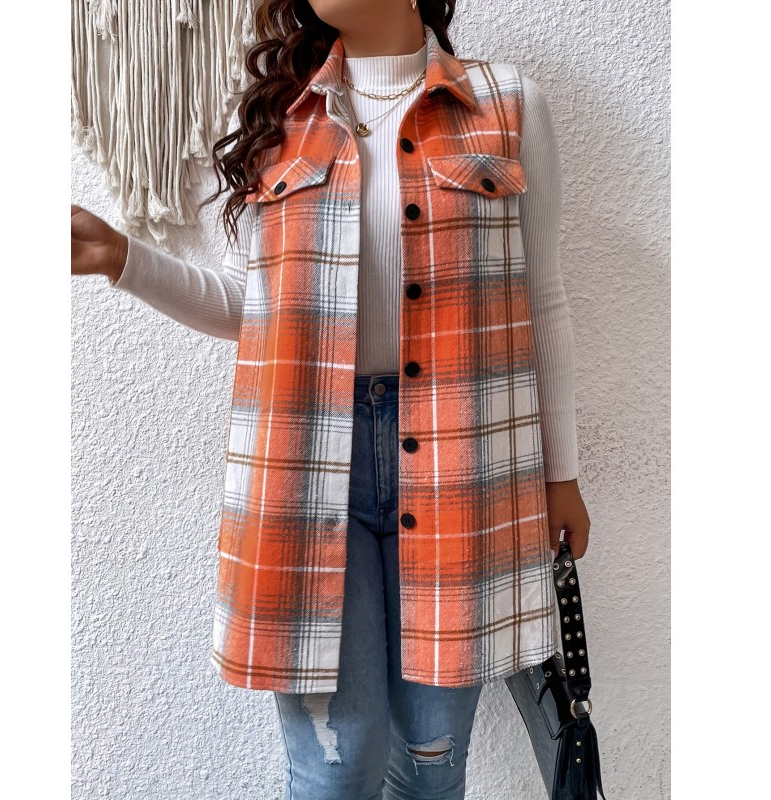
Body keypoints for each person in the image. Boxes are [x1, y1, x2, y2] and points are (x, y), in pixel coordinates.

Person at [71, 1, 592, 798]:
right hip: (306, 471)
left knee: (431, 763)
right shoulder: (278, 117)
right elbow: (252, 304)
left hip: (466, 473)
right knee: (333, 769)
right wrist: (122, 258)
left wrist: (562, 475)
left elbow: (543, 298)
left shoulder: (509, 103)